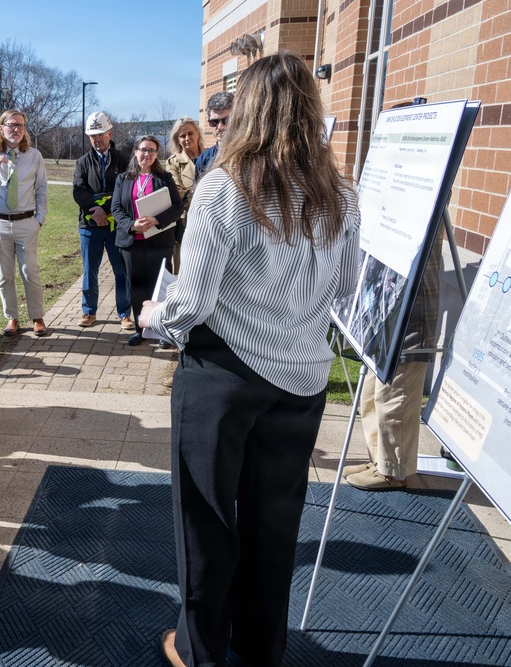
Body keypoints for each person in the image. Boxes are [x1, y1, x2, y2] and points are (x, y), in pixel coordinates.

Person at [142, 52, 360, 667]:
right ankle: (260, 650)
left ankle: (199, 650)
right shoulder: (340, 192)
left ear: (249, 110)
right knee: (274, 526)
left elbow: (193, 301)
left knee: (206, 521)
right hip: (301, 383)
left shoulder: (226, 188)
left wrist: (153, 318)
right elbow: (345, 285)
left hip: (224, 378)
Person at [346, 233, 442, 490]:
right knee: (372, 395)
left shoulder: (426, 198)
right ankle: (379, 461)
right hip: (387, 304)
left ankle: (394, 472)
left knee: (395, 397)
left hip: (412, 312)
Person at [0, 109, 49, 337]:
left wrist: (39, 219)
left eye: (20, 126)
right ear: (1, 128)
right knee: (5, 274)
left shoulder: (34, 156)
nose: (16, 129)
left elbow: (42, 188)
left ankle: (37, 317)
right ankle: (12, 318)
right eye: (11, 125)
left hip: (27, 222)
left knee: (30, 271)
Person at [112, 136, 183, 347]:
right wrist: (132, 224)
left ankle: (162, 332)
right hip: (132, 242)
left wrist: (156, 220)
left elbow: (177, 208)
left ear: (156, 154)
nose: (147, 154)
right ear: (135, 151)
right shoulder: (123, 179)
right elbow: (116, 208)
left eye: (152, 151)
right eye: (143, 150)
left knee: (159, 287)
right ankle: (140, 329)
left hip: (159, 242)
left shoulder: (165, 178)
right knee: (136, 288)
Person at [73, 111, 133, 330]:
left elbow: (126, 189)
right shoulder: (82, 162)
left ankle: (125, 313)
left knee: (121, 270)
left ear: (110, 133)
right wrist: (94, 211)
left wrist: (106, 209)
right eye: (92, 135)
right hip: (90, 226)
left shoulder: (125, 160)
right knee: (90, 271)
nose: (96, 139)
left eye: (100, 134)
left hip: (117, 227)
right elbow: (78, 190)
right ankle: (89, 312)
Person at [164, 117, 204, 275]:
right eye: (182, 136)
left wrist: (192, 190)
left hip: (211, 220)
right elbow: (177, 194)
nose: (187, 138)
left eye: (190, 133)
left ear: (198, 134)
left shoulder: (212, 156)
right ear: (177, 140)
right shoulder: (173, 162)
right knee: (184, 270)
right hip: (185, 222)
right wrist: (205, 190)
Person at [195, 91, 234, 180]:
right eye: (214, 122)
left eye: (226, 121)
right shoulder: (204, 159)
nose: (220, 127)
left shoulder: (250, 155)